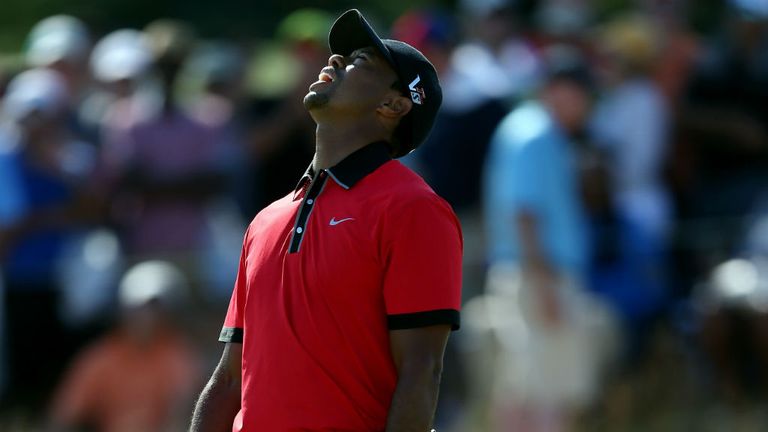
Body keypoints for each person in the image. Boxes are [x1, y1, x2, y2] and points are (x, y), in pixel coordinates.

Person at [190, 9, 463, 432]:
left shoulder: (414, 209)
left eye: (361, 61)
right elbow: (227, 380)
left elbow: (421, 374)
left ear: (394, 104)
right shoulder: (266, 219)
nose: (334, 60)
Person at [475, 46, 615, 432]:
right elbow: (524, 214)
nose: (585, 106)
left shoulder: (530, 129)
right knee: (547, 393)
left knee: (521, 389)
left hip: (530, 274)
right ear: (556, 90)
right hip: (539, 277)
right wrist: (544, 284)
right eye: (580, 94)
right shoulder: (535, 133)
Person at [48, 261, 201, 432]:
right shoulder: (100, 357)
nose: (145, 317)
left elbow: (182, 413)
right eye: (138, 309)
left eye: (153, 309)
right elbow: (65, 416)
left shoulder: (179, 356)